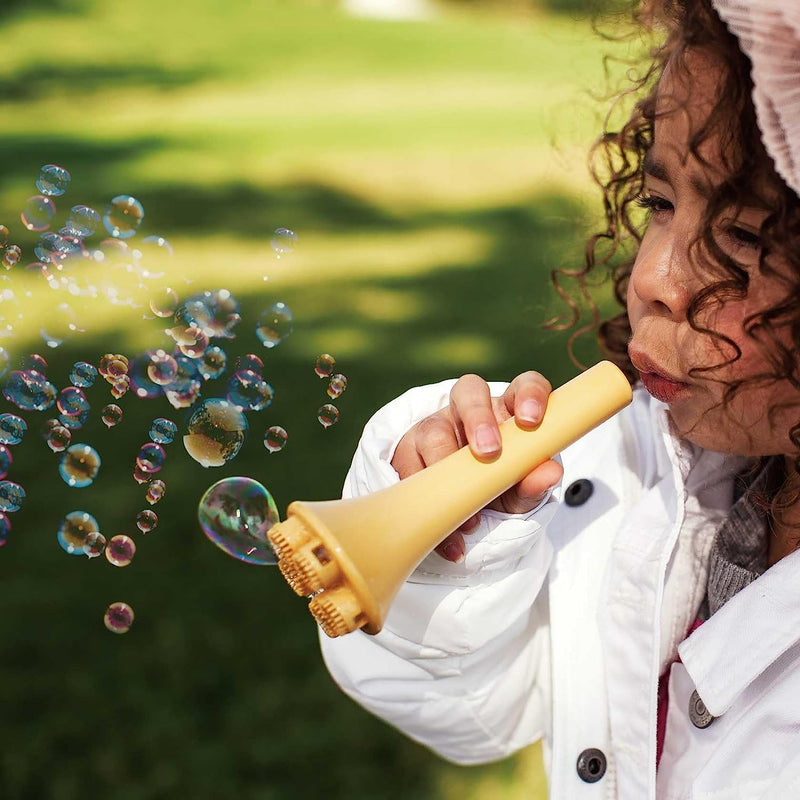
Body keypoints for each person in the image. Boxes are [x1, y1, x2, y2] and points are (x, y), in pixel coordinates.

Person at [318, 0, 800, 797]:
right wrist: (450, 545)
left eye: (745, 237)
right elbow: (467, 713)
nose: (652, 278)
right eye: (660, 204)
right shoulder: (645, 468)